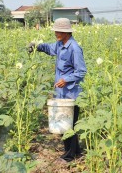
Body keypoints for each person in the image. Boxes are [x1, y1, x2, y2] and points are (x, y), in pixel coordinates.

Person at [28, 18, 87, 162]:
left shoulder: (74, 48)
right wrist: (37, 46)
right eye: (55, 30)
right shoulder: (60, 44)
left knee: (68, 125)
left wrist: (66, 79)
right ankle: (76, 151)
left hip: (72, 93)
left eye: (59, 31)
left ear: (66, 32)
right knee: (66, 124)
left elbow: (81, 71)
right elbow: (49, 48)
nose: (56, 33)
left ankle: (69, 156)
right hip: (62, 93)